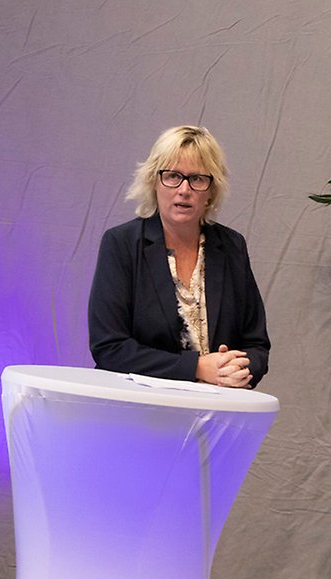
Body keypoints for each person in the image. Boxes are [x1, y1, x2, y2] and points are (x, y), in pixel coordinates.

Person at [88, 125, 270, 388]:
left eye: (197, 179)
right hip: (141, 409)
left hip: (218, 408)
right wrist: (196, 367)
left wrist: (239, 368)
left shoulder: (232, 247)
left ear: (211, 190)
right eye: (173, 176)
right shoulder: (122, 243)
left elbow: (257, 344)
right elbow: (109, 347)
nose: (184, 190)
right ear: (154, 181)